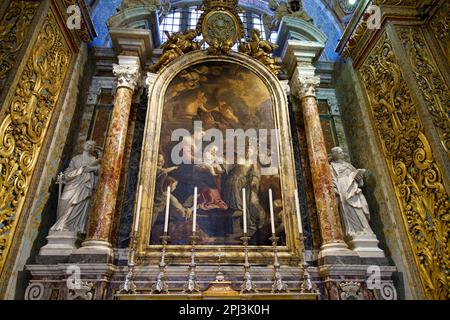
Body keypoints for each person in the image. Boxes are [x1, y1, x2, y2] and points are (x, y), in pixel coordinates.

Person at [50, 140, 101, 233]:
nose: (89, 146)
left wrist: (92, 169)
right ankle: (60, 224)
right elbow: (68, 173)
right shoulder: (75, 158)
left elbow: (99, 172)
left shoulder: (94, 159)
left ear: (93, 149)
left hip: (85, 184)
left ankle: (73, 227)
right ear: (83, 145)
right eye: (87, 144)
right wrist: (80, 170)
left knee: (80, 203)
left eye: (91, 146)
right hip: (72, 184)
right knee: (64, 200)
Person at [330, 146, 374, 237]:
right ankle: (353, 230)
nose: (342, 154)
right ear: (334, 154)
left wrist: (358, 176)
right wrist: (334, 188)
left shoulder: (348, 165)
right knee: (346, 207)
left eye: (342, 152)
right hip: (341, 187)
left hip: (352, 186)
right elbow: (331, 179)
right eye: (340, 152)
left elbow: (357, 177)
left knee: (360, 205)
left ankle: (365, 229)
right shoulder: (331, 166)